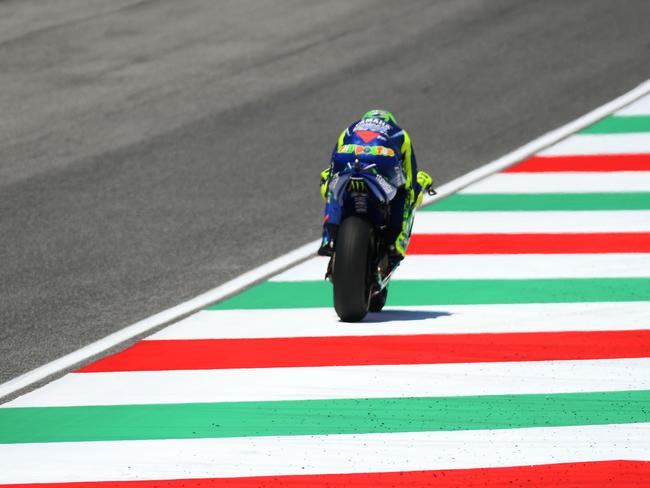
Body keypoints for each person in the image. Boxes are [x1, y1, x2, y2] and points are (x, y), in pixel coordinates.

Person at [318, 109, 433, 264]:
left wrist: (328, 185)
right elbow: (411, 173)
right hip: (381, 160)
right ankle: (394, 243)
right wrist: (415, 190)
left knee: (334, 188)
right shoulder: (400, 133)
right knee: (403, 191)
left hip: (348, 158)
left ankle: (328, 238)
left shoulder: (351, 128)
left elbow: (332, 165)